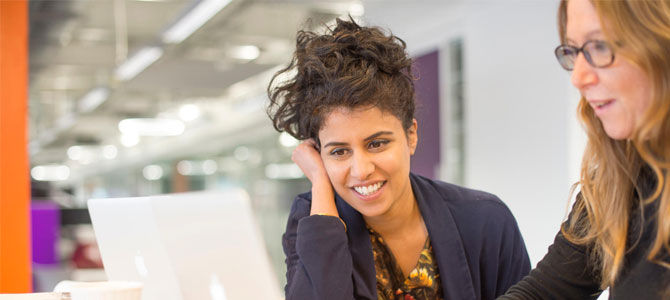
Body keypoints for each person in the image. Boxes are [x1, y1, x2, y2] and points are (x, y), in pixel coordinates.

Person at [267, 18, 530, 300]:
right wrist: (320, 182)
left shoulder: (485, 219)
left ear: (411, 135)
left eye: (377, 143)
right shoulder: (314, 220)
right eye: (339, 151)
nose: (362, 170)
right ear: (318, 155)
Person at [499, 0, 670, 299]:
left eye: (599, 47)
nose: (577, 77)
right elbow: (545, 291)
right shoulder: (618, 177)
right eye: (573, 52)